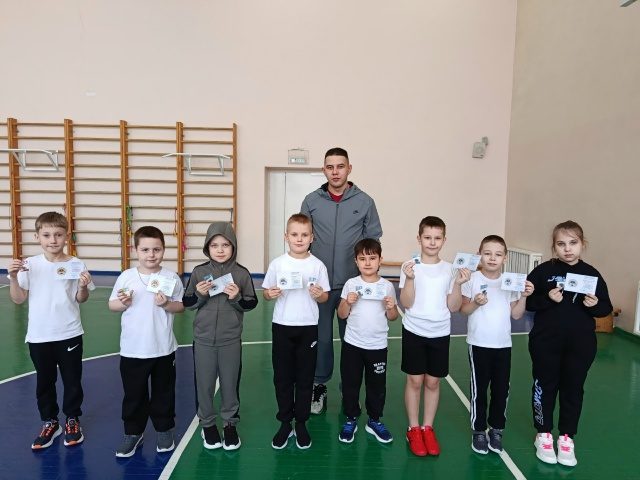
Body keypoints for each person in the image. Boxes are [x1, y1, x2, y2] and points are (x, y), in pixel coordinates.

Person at [301, 147, 382, 414]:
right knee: (321, 340)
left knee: (352, 341)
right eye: (330, 167)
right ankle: (319, 386)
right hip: (321, 286)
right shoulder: (311, 201)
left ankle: (349, 389)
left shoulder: (365, 201)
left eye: (340, 166)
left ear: (349, 168)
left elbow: (372, 243)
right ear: (324, 170)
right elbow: (302, 239)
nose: (335, 172)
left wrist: (368, 278)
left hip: (353, 286)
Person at [526, 221, 612, 467]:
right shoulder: (543, 272)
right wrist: (547, 299)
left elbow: (605, 307)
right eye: (561, 244)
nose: (567, 249)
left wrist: (594, 305)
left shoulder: (592, 273)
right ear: (554, 247)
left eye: (573, 243)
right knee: (544, 387)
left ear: (582, 244)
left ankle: (566, 437)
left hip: (581, 345)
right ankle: (543, 434)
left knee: (573, 389)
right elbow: (527, 302)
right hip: (545, 343)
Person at [7, 211, 92, 449]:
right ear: (37, 236)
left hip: (69, 333)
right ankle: (50, 422)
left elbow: (81, 298)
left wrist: (83, 287)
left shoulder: (76, 264)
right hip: (39, 335)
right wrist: (12, 277)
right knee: (44, 381)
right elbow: (18, 299)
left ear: (67, 236)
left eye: (58, 234)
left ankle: (72, 419)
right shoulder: (29, 265)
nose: (53, 240)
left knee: (72, 380)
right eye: (46, 235)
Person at [108, 226, 184, 457]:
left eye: (156, 249)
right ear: (135, 250)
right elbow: (112, 305)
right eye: (145, 250)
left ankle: (164, 429)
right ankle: (133, 433)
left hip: (163, 349)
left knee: (164, 393)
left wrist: (166, 304)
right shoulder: (126, 277)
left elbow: (180, 306)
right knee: (134, 394)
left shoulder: (171, 277)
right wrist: (123, 303)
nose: (151, 254)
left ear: (164, 250)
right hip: (133, 350)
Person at [183, 222, 258, 451]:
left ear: (233, 246)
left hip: (230, 340)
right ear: (207, 247)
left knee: (229, 384)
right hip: (203, 340)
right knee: (204, 384)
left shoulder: (241, 273)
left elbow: (251, 302)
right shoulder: (198, 272)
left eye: (225, 244)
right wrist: (200, 294)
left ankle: (229, 424)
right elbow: (188, 303)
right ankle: (207, 424)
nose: (220, 249)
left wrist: (236, 298)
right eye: (214, 245)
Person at [399, 216, 470, 457]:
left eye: (437, 238)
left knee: (433, 382)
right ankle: (413, 428)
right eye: (427, 237)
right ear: (419, 238)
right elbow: (406, 302)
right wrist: (410, 279)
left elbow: (454, 307)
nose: (432, 242)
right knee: (415, 381)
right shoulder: (410, 266)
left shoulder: (450, 269)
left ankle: (428, 428)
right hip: (414, 331)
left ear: (444, 240)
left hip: (440, 332)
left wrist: (458, 284)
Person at [460, 235, 534, 455]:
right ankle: (478, 430)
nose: (492, 258)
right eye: (487, 253)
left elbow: (517, 314)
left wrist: (524, 297)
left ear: (505, 258)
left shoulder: (510, 281)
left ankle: (497, 430)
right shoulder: (471, 279)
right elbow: (463, 310)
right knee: (479, 390)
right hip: (478, 344)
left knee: (501, 390)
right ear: (479, 255)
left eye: (498, 254)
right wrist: (476, 303)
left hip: (503, 345)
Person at [263, 213, 330, 450]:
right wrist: (270, 294)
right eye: (294, 234)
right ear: (286, 237)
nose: (299, 239)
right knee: (282, 378)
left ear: (312, 237)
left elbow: (325, 297)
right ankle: (285, 423)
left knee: (304, 378)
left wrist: (319, 295)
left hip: (308, 328)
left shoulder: (317, 265)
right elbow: (266, 293)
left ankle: (301, 423)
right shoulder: (278, 264)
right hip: (282, 326)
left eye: (304, 235)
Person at [336, 238, 399, 444]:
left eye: (372, 258)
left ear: (380, 260)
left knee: (376, 386)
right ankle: (351, 418)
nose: (368, 262)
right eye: (362, 259)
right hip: (352, 345)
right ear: (356, 261)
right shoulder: (351, 284)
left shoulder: (387, 286)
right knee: (350, 384)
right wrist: (347, 302)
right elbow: (342, 314)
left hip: (377, 346)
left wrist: (391, 307)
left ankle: (374, 420)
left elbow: (393, 317)